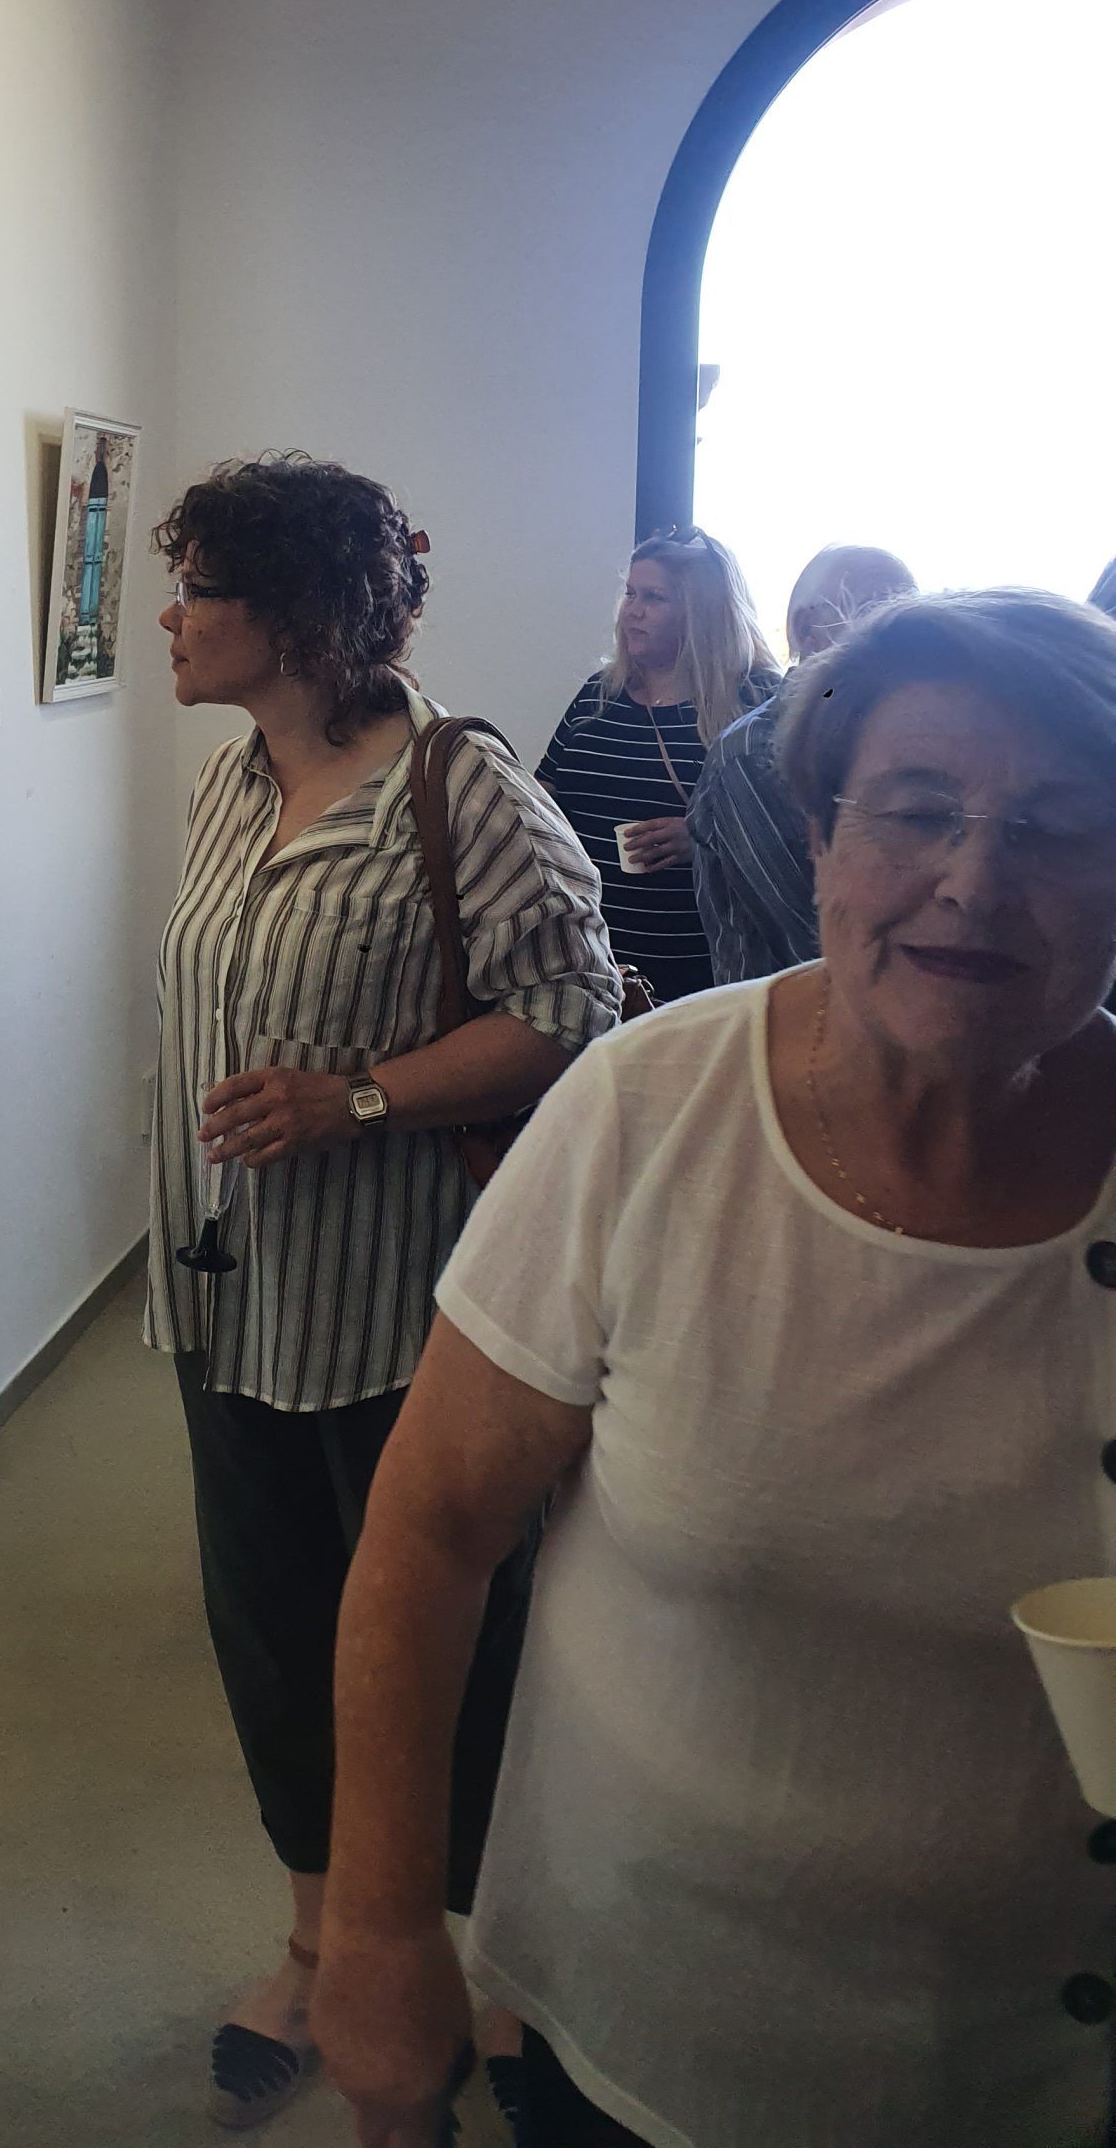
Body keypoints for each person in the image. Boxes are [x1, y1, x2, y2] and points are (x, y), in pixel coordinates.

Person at [312, 586, 1116, 2148]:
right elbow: (432, 1530)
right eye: (916, 812)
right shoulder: (647, 1110)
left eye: (1059, 828)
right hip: (663, 2034)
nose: (974, 881)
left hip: (1050, 2058)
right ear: (817, 840)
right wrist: (379, 1925)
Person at [147, 456, 621, 2129]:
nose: (169, 620)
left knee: (443, 1655)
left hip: (401, 1319)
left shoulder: (459, 786)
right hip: (228, 1302)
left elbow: (573, 1010)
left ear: (293, 614)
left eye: (198, 590)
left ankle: (481, 1965)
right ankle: (314, 1945)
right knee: (275, 1642)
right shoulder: (230, 782)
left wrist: (353, 1099)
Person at [538, 528, 778, 1002]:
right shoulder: (598, 695)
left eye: (655, 597)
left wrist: (703, 840)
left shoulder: (756, 702)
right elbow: (543, 797)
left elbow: (798, 836)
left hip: (704, 976)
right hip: (589, 967)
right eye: (630, 593)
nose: (633, 610)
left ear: (701, 611)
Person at [689, 543, 916, 983]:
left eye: (910, 620)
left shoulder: (876, 738)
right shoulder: (755, 752)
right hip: (798, 1017)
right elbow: (818, 941)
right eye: (878, 613)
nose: (905, 645)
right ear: (808, 629)